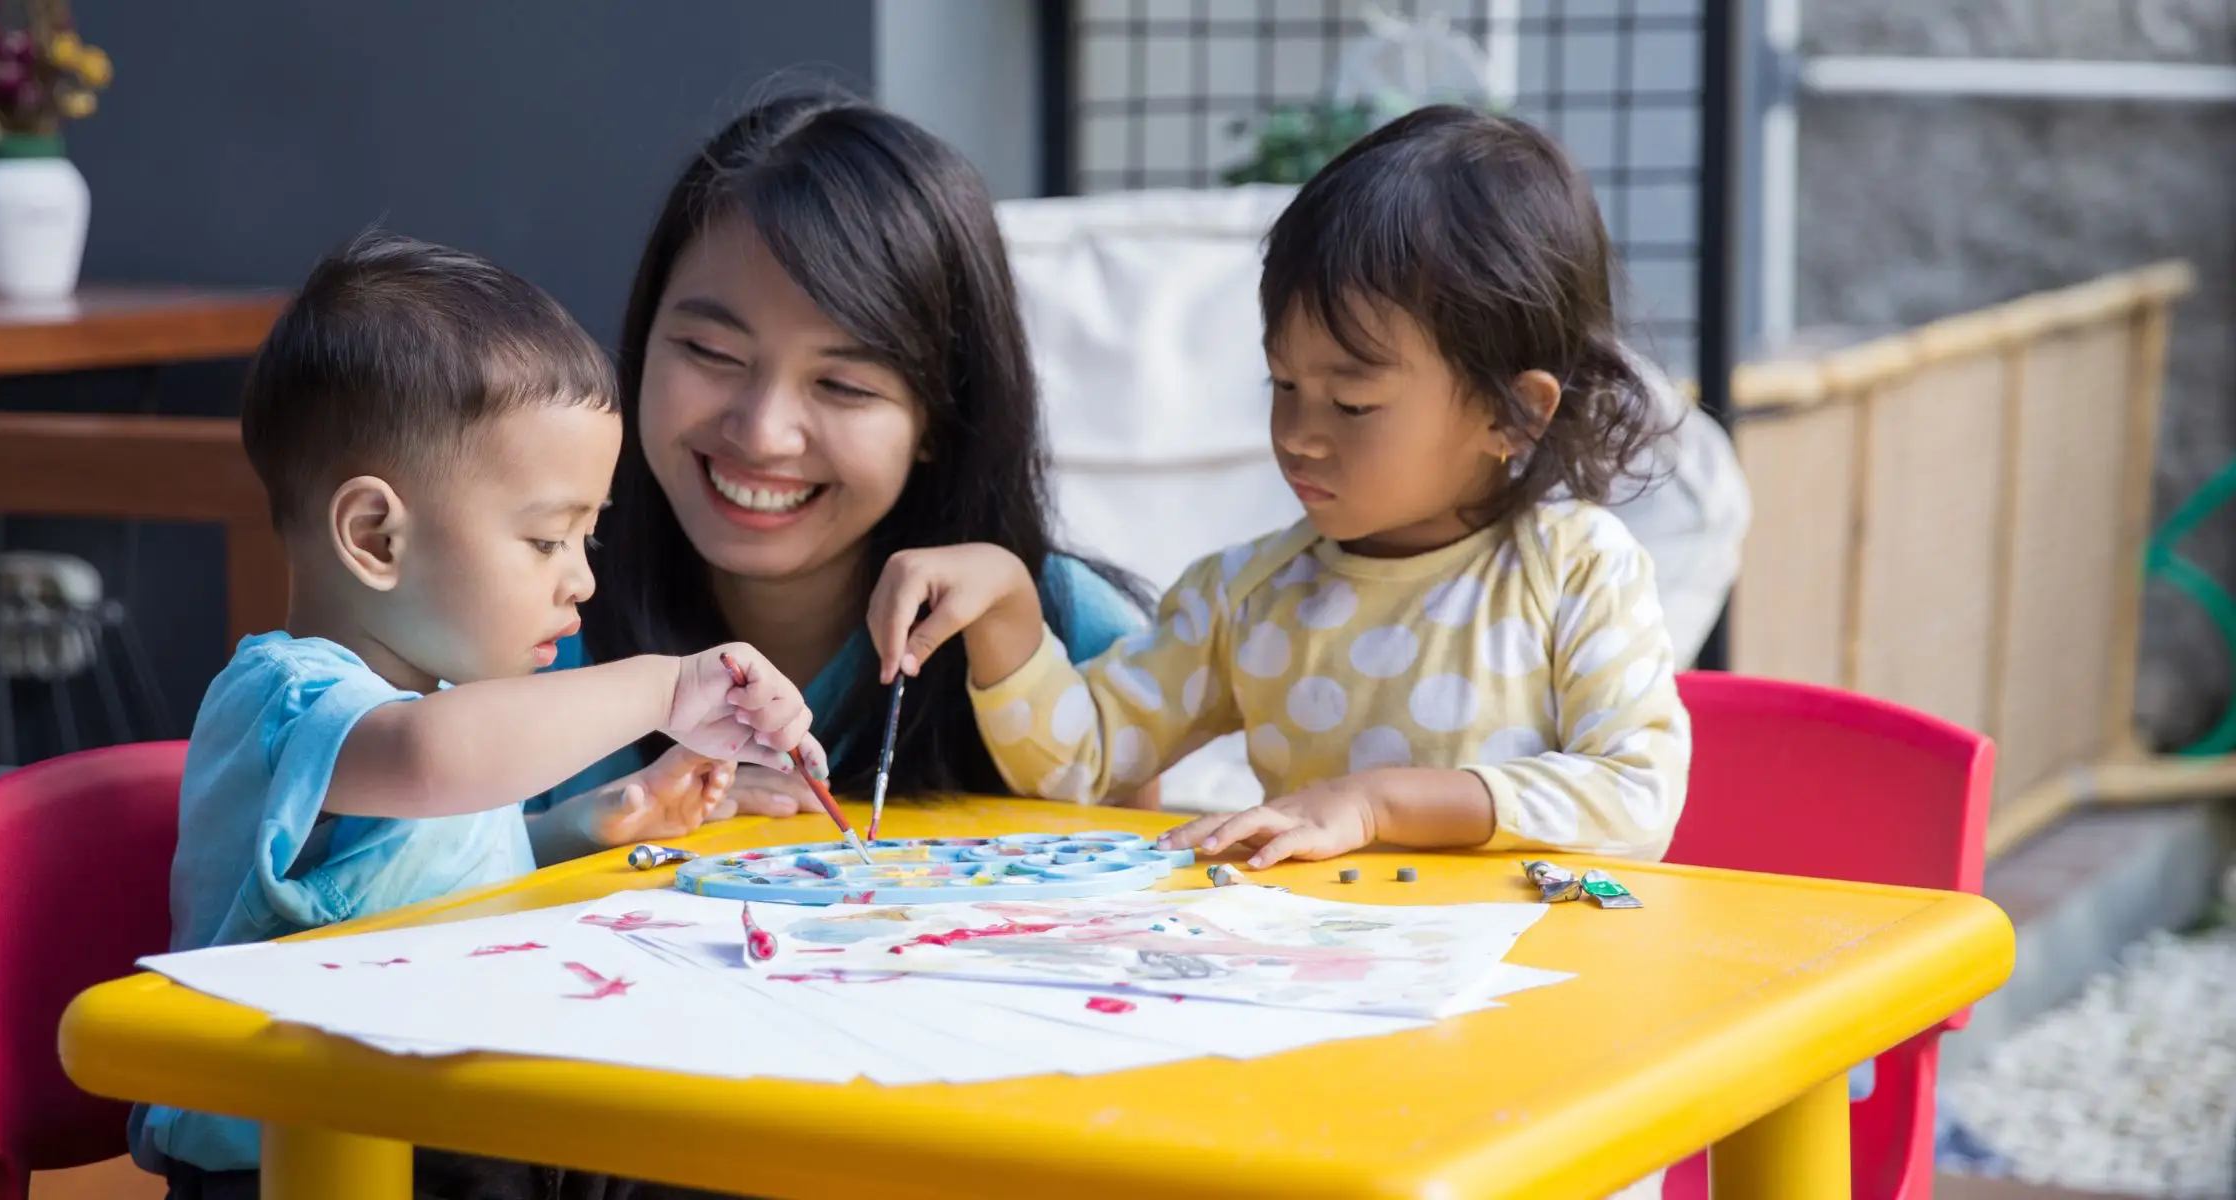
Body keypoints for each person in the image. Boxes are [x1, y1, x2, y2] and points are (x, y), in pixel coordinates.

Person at [133, 230, 812, 1199]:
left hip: (439, 1125)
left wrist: (582, 824)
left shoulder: (441, 707)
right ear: (375, 536)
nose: (580, 578)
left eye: (589, 534)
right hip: (299, 1159)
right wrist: (663, 690)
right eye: (545, 539)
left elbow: (417, 872)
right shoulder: (291, 700)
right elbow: (429, 765)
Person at [871, 104, 1692, 869]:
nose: (1299, 434)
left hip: (1539, 994)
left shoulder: (1576, 570)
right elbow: (1080, 762)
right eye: (1282, 385)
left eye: (1353, 402)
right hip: (1313, 990)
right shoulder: (1247, 598)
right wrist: (1009, 606)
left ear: (1514, 414)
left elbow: (1635, 794)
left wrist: (1375, 804)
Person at [534, 90, 1156, 820]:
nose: (763, 432)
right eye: (710, 351)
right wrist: (588, 823)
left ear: (938, 414)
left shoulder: (1055, 628)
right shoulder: (522, 610)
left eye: (843, 385)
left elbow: (1133, 877)